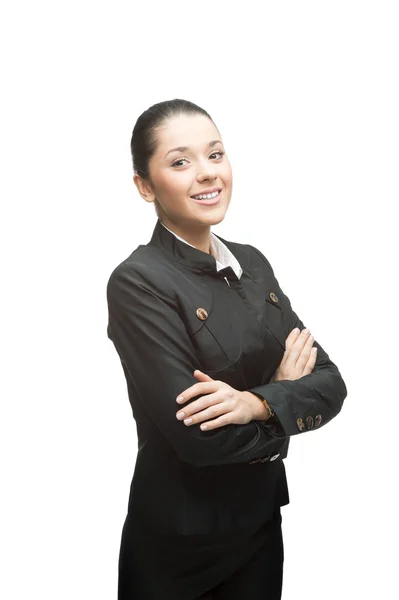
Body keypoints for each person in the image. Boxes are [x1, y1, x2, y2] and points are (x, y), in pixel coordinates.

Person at [106, 99, 347, 599]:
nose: (205, 174)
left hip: (259, 531)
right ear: (145, 186)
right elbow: (198, 438)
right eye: (180, 162)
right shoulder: (139, 282)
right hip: (177, 547)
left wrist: (255, 404)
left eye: (215, 155)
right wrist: (282, 398)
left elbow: (330, 382)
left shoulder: (252, 264)